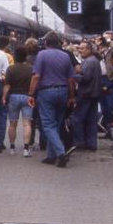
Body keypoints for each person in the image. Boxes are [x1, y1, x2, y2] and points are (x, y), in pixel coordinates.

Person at [28, 31, 76, 167]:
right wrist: (72, 96)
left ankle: (61, 154)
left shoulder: (42, 55)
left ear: (46, 43)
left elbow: (36, 76)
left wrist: (31, 94)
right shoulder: (66, 56)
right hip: (63, 91)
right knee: (56, 124)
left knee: (48, 125)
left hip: (46, 92)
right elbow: (71, 79)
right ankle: (51, 156)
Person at [2, 46, 34, 156]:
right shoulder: (31, 68)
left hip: (13, 97)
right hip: (27, 97)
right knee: (27, 124)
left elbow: (7, 85)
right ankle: (26, 149)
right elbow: (33, 83)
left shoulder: (10, 69)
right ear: (26, 57)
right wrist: (32, 95)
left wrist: (4, 97)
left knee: (12, 123)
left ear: (15, 56)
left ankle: (12, 148)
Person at [70, 40, 102, 152]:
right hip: (94, 94)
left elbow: (85, 78)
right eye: (79, 48)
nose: (80, 50)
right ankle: (92, 143)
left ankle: (79, 142)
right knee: (91, 120)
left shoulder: (88, 62)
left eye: (82, 48)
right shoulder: (95, 61)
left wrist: (73, 75)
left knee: (77, 119)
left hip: (85, 94)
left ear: (89, 49)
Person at [98, 30, 113, 132]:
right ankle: (108, 130)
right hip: (101, 79)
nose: (104, 39)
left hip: (111, 79)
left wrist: (109, 41)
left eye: (107, 37)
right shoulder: (101, 50)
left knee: (111, 105)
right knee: (104, 107)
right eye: (104, 37)